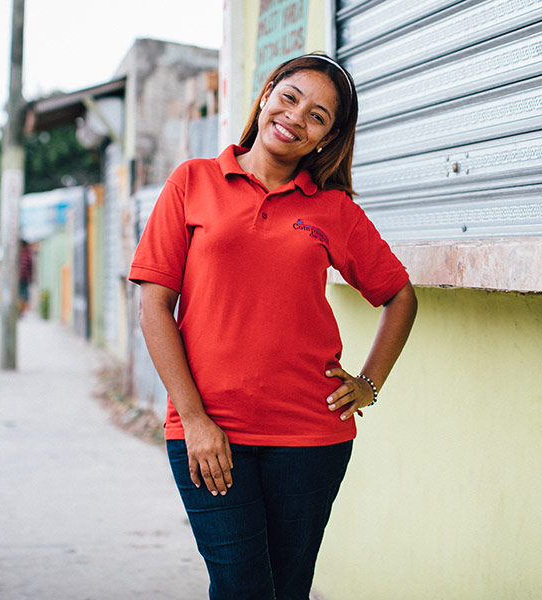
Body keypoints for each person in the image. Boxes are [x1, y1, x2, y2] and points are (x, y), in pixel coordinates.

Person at [129, 53, 417, 600]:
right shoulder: (193, 182)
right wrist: (194, 419)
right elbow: (153, 305)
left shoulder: (333, 210)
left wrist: (369, 383)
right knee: (242, 588)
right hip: (209, 431)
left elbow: (399, 296)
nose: (296, 116)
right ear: (265, 96)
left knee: (287, 590)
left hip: (311, 437)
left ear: (325, 141)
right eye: (290, 97)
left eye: (318, 117)